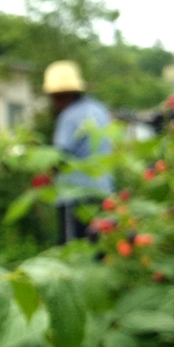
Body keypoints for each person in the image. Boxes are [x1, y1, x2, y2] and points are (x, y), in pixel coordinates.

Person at [43, 60, 114, 244]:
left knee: (73, 248)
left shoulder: (68, 116)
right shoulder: (99, 110)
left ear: (60, 95)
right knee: (99, 246)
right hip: (103, 191)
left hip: (74, 195)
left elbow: (59, 156)